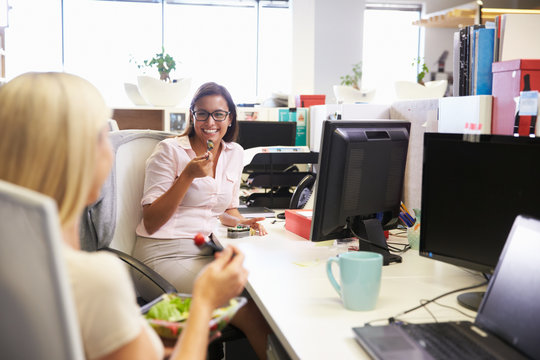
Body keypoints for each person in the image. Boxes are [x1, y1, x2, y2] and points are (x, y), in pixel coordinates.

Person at [0, 72, 248, 360]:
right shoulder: (96, 278)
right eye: (102, 136)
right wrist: (204, 303)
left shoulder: (17, 264)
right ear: (76, 157)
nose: (112, 148)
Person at [133, 82, 271, 358]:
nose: (211, 122)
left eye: (219, 114)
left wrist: (244, 222)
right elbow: (150, 222)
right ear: (192, 115)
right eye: (202, 114)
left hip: (204, 250)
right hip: (163, 254)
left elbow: (225, 210)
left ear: (230, 118)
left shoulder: (235, 153)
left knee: (263, 292)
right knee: (249, 309)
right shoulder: (169, 151)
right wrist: (187, 176)